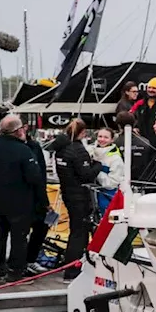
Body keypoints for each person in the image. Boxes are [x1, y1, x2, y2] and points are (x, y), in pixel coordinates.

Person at [0, 115, 45, 282]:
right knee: (19, 238)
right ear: (18, 130)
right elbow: (34, 177)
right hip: (19, 202)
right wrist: (42, 202)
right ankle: (15, 271)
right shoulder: (24, 150)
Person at [50, 119, 102, 281]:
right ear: (82, 133)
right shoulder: (78, 150)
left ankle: (72, 265)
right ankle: (73, 269)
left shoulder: (61, 150)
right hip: (80, 195)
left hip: (68, 192)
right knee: (79, 233)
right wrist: (98, 165)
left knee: (75, 230)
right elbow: (86, 175)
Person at [20, 120, 53, 274]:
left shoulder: (34, 146)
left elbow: (41, 172)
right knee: (21, 232)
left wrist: (44, 198)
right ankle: (21, 262)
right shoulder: (17, 148)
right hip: (22, 196)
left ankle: (31, 259)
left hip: (38, 195)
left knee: (42, 226)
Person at [115, 111, 156, 189]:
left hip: (122, 182)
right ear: (134, 123)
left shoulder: (115, 143)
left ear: (119, 125)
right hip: (142, 181)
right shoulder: (145, 142)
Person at [91, 127, 125, 217]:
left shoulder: (116, 158)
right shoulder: (91, 152)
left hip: (108, 198)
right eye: (100, 136)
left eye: (106, 137)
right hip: (93, 198)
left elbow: (111, 184)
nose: (102, 139)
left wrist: (96, 171)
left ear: (112, 140)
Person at [131, 77, 156, 144]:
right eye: (149, 87)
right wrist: (135, 127)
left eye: (154, 88)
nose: (151, 90)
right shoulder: (141, 104)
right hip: (142, 142)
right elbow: (134, 118)